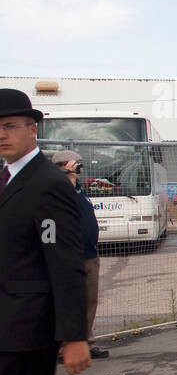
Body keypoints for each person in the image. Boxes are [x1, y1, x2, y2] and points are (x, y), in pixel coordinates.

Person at [1, 90, 165, 375]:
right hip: (9, 322)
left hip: (27, 327)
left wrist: (74, 336)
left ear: (34, 129)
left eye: (11, 125)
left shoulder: (47, 183)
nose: (2, 134)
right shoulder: (9, 180)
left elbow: (66, 263)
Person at [51, 150, 109, 358]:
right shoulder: (55, 189)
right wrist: (65, 175)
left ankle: (86, 342)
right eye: (75, 166)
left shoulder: (79, 190)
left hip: (89, 255)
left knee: (89, 301)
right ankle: (63, 347)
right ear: (61, 166)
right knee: (68, 302)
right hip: (68, 257)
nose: (79, 171)